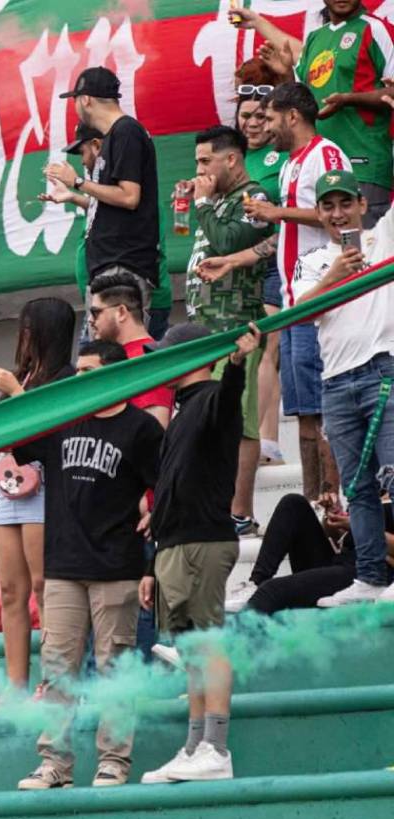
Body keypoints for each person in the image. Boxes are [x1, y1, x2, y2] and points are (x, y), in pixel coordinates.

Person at [14, 340, 164, 789]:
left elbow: (167, 487)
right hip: (62, 567)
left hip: (117, 567)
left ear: (113, 374)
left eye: (87, 370)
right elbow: (17, 441)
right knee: (58, 668)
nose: (78, 379)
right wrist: (6, 394)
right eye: (76, 370)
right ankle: (55, 764)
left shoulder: (141, 429)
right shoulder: (64, 419)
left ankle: (114, 761)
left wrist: (151, 560)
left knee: (114, 670)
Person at [198, 82, 349, 502]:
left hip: (323, 299)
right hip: (293, 300)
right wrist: (235, 259)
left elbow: (340, 220)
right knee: (304, 410)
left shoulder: (326, 154)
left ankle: (332, 498)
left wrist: (276, 211)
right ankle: (311, 500)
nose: (263, 126)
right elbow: (280, 236)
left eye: (270, 117)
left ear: (292, 116)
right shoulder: (288, 164)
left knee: (322, 407)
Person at [141, 322, 261, 784]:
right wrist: (151, 563)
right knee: (188, 650)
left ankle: (216, 747)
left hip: (203, 541)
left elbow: (232, 396)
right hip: (172, 546)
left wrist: (235, 364)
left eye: (169, 353)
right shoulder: (179, 410)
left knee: (206, 643)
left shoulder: (213, 398)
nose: (161, 360)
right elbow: (166, 493)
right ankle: (194, 747)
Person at [288, 171, 394, 606]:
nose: (338, 214)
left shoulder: (383, 238)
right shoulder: (311, 260)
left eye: (346, 203)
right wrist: (334, 274)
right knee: (358, 488)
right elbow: (297, 313)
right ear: (318, 213)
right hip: (336, 383)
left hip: (384, 370)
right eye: (328, 207)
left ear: (362, 205)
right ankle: (369, 576)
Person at [0, 297, 76, 706]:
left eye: (28, 328)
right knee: (10, 591)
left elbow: (50, 441)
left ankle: (52, 682)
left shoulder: (65, 377)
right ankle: (14, 686)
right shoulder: (25, 376)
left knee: (43, 585)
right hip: (10, 487)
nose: (22, 336)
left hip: (45, 484)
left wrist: (18, 395)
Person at [181, 125, 271, 536]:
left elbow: (227, 242)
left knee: (240, 422)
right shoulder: (216, 200)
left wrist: (201, 204)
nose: (199, 169)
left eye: (205, 160)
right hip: (205, 332)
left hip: (238, 329)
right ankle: (217, 506)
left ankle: (239, 511)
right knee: (211, 421)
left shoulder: (255, 199)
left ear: (230, 159)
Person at [236, 0, 394, 226]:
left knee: (362, 253)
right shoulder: (314, 39)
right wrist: (287, 76)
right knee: (327, 255)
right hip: (319, 166)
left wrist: (348, 99)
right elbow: (304, 102)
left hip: (364, 163)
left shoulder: (374, 29)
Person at [42, 123, 174, 341]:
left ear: (96, 146)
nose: (82, 162)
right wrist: (74, 197)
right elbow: (107, 210)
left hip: (126, 303)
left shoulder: (131, 194)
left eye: (83, 153)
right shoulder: (109, 196)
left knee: (111, 364)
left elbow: (123, 207)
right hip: (105, 301)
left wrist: (78, 182)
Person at [47, 67, 160, 319]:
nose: (75, 107)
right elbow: (112, 201)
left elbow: (129, 197)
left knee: (114, 352)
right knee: (101, 353)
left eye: (75, 100)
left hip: (122, 265)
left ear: (85, 99)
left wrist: (77, 181)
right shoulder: (115, 136)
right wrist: (74, 195)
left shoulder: (126, 131)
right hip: (110, 265)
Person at [235, 68, 287, 465]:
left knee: (269, 345)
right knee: (246, 350)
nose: (252, 122)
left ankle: (269, 440)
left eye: (259, 116)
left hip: (274, 259)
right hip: (235, 264)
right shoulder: (231, 154)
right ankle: (248, 435)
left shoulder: (284, 155)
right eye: (245, 114)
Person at [225, 491, 379, 615]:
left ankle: (233, 649)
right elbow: (345, 539)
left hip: (369, 572)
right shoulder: (373, 485)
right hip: (341, 560)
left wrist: (359, 526)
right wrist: (334, 518)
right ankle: (256, 581)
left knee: (271, 591)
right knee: (292, 503)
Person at [86, 273, 174, 425]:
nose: (90, 320)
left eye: (95, 312)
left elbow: (155, 432)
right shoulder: (128, 357)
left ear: (121, 312)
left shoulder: (147, 361)